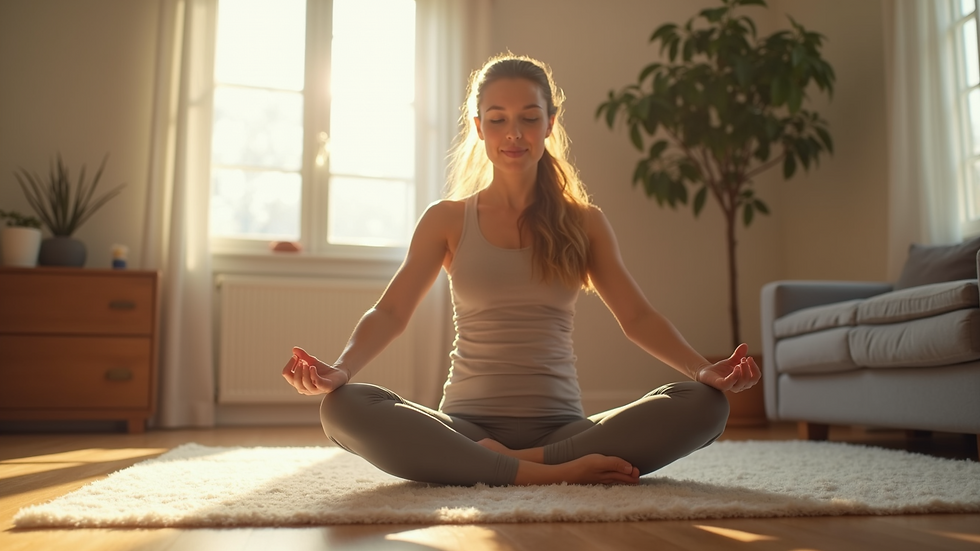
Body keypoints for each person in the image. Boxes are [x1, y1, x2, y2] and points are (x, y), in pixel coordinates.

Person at [282, 54, 761, 487]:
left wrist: (704, 369)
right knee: (343, 407)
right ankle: (553, 472)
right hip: (466, 425)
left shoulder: (584, 222)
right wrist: (341, 369)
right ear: (479, 127)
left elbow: (638, 317)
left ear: (550, 123)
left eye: (529, 118)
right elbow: (390, 312)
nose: (514, 133)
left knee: (707, 406)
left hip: (564, 428)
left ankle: (508, 464)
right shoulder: (446, 219)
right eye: (498, 119)